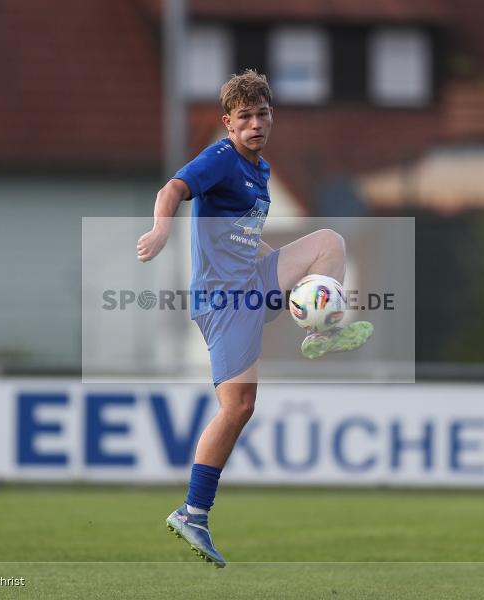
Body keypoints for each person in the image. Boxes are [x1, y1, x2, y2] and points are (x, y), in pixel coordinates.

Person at [136, 69, 372, 568]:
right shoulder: (221, 159)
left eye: (262, 114)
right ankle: (192, 511)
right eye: (245, 117)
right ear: (228, 123)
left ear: (271, 118)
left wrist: (285, 275)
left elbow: (244, 239)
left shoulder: (259, 170)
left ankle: (320, 329)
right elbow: (173, 188)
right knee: (238, 407)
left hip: (249, 284)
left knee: (328, 242)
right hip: (222, 300)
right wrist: (161, 230)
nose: (256, 123)